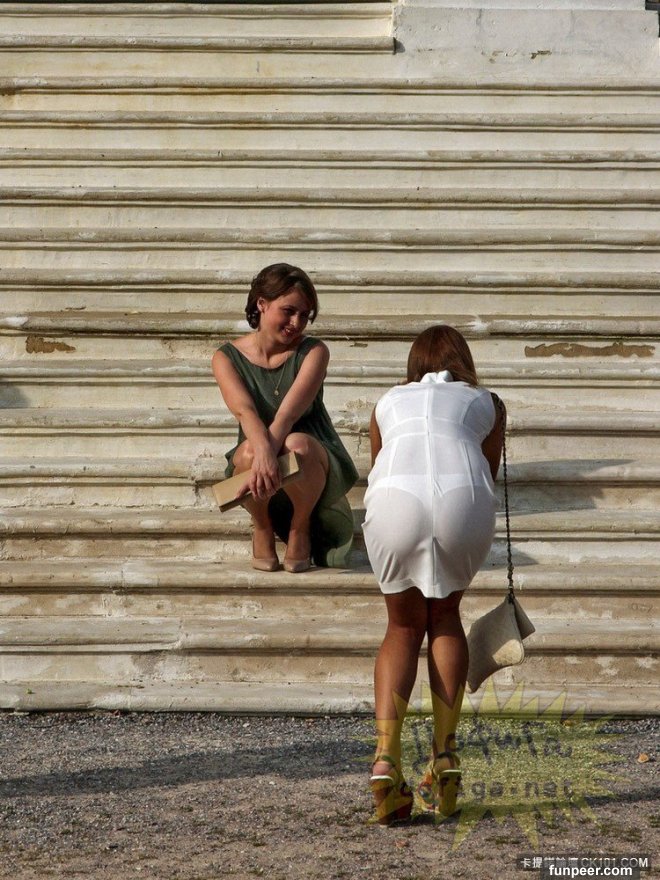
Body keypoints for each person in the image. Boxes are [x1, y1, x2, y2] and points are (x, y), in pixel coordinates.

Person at [362, 325, 505, 825]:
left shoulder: (387, 402)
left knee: (402, 626)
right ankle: (444, 753)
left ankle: (386, 758)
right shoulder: (488, 402)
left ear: (414, 364)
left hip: (395, 499)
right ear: (464, 361)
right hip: (460, 498)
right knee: (445, 615)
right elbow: (488, 470)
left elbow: (378, 463)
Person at [212, 263, 358, 573]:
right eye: (289, 311)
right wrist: (263, 453)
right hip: (259, 461)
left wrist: (267, 453)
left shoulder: (314, 352)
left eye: (305, 315)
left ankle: (299, 527)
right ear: (261, 304)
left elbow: (288, 415)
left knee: (295, 443)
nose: (296, 323)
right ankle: (262, 527)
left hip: (311, 460)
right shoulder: (226, 357)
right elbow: (245, 411)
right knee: (249, 451)